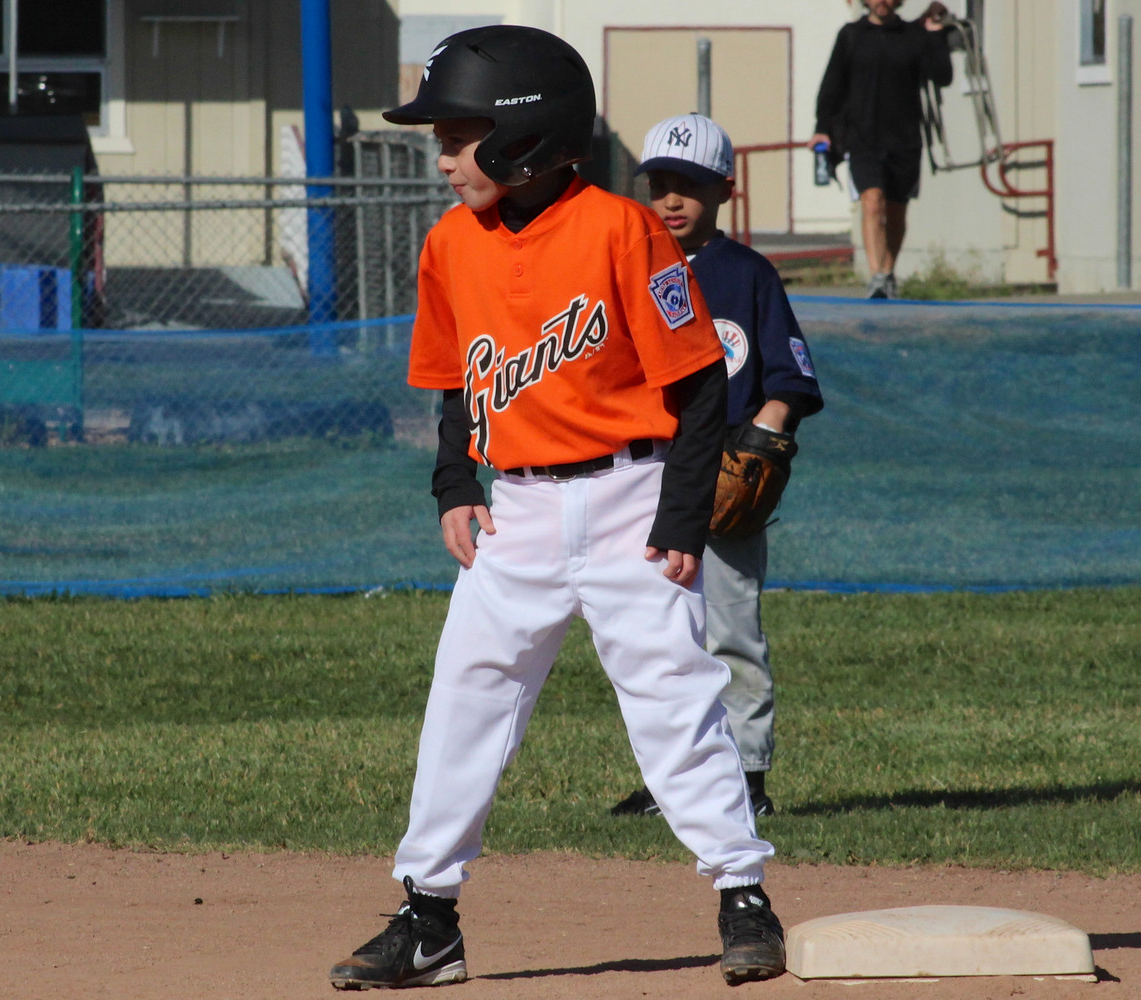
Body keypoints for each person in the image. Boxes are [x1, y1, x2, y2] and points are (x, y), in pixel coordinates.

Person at [328, 26, 785, 990]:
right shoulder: (450, 245)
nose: (443, 158)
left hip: (631, 499)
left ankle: (743, 894)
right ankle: (429, 918)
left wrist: (681, 517)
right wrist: (455, 484)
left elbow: (700, 382)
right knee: (465, 698)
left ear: (524, 137)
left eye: (458, 137)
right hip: (519, 510)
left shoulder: (623, 229)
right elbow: (457, 384)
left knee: (673, 697)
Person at [609, 113, 824, 821]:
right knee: (654, 637)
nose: (671, 200)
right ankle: (671, 776)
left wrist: (766, 433)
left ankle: (748, 776)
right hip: (645, 475)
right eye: (660, 185)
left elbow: (790, 379)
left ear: (725, 190)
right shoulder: (627, 266)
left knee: (730, 631)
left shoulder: (748, 274)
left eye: (691, 186)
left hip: (725, 475)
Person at [810, 0, 955, 299]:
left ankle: (888, 273)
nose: (881, 1)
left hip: (905, 140)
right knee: (872, 202)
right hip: (862, 139)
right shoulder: (851, 35)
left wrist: (936, 35)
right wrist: (822, 127)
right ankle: (877, 275)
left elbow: (942, 76)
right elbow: (832, 85)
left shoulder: (913, 35)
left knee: (896, 211)